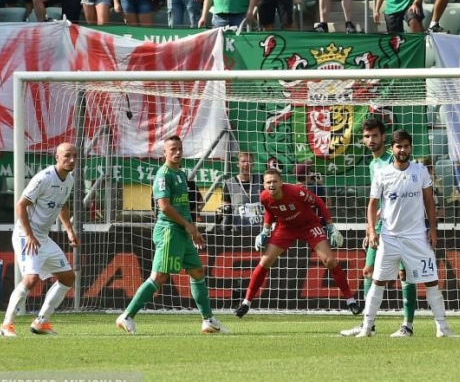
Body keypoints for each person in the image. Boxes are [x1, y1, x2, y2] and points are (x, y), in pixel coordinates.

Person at [116, 136, 227, 335]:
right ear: (164, 153)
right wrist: (187, 226)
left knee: (197, 271)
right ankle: (126, 316)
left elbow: (184, 208)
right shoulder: (163, 175)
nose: (177, 153)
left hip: (183, 232)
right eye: (173, 149)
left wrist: (193, 230)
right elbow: (164, 207)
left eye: (180, 149)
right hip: (169, 231)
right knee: (159, 277)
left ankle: (208, 320)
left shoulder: (181, 175)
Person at [357, 129, 458, 338]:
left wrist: (432, 229)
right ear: (392, 148)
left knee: (431, 280)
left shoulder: (420, 171)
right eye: (398, 146)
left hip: (417, 237)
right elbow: (372, 204)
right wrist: (372, 231)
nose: (402, 150)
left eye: (406, 146)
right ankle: (367, 327)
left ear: (410, 147)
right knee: (378, 281)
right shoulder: (382, 173)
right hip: (390, 237)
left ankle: (442, 327)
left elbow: (429, 201)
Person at [234, 168, 361, 317]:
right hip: (285, 228)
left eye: (275, 181)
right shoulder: (264, 197)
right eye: (268, 182)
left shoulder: (296, 192)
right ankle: (246, 303)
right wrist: (265, 230)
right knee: (264, 262)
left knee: (329, 260)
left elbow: (319, 201)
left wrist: (330, 226)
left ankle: (350, 301)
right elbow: (269, 210)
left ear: (281, 182)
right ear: (264, 184)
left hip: (309, 226)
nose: (272, 185)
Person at [341, 118, 419, 338]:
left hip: (401, 226)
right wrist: (371, 228)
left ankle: (408, 325)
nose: (371, 140)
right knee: (368, 271)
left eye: (375, 135)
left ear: (384, 137)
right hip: (380, 226)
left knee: (405, 273)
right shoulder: (373, 163)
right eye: (367, 136)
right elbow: (377, 199)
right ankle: (369, 324)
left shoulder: (391, 160)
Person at [0, 143, 79, 337]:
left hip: (42, 237)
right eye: (67, 156)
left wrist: (69, 229)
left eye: (74, 156)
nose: (72, 160)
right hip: (26, 234)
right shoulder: (44, 178)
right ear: (57, 157)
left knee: (68, 277)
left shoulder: (69, 180)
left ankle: (41, 322)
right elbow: (21, 206)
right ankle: (6, 325)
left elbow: (63, 205)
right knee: (31, 279)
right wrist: (29, 235)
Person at [221, 151, 264, 227]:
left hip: (260, 226)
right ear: (238, 164)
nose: (246, 164)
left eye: (249, 161)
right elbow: (226, 204)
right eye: (243, 161)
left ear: (253, 164)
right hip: (239, 229)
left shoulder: (261, 179)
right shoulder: (229, 183)